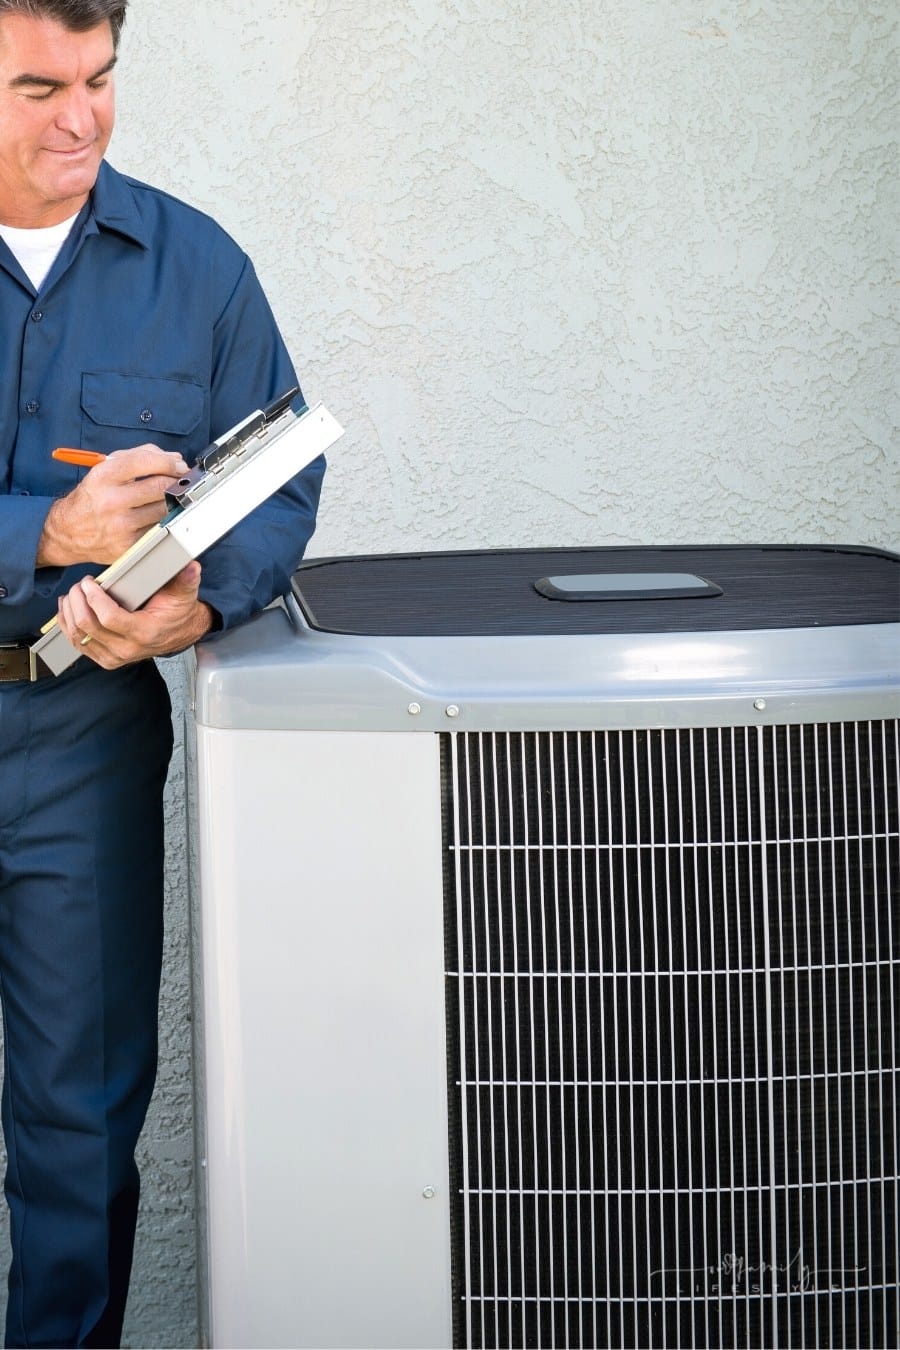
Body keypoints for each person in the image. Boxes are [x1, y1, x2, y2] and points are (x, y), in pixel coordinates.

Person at [0, 0, 325, 1343]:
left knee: (79, 1130)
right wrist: (46, 532)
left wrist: (195, 611)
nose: (81, 119)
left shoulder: (199, 269)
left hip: (83, 745)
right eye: (38, 87)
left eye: (102, 77)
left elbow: (279, 485)